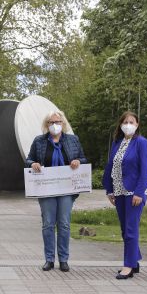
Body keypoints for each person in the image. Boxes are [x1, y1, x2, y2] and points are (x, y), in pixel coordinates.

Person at [26, 110, 87, 272]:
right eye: (51, 122)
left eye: (58, 122)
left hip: (66, 189)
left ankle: (64, 259)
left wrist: (77, 161)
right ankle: (49, 259)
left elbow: (83, 158)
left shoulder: (73, 140)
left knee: (65, 224)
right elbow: (29, 159)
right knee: (48, 224)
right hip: (46, 188)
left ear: (63, 124)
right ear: (47, 125)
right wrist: (33, 164)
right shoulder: (39, 141)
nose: (55, 125)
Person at [102, 111, 147, 280]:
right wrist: (109, 190)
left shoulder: (142, 143)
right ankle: (134, 261)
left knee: (131, 230)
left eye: (132, 122)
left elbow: (145, 170)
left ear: (137, 125)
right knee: (125, 230)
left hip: (134, 193)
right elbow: (110, 167)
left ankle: (128, 266)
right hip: (119, 192)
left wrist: (139, 192)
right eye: (125, 122)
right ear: (120, 125)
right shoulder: (117, 143)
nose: (128, 124)